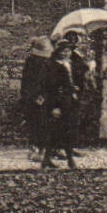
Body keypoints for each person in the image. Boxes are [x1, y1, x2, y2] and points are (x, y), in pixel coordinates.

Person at [39, 38, 80, 169]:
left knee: (68, 130)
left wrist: (74, 88)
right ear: (58, 52)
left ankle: (52, 159)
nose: (66, 53)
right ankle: (68, 160)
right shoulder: (53, 66)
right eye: (63, 51)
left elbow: (72, 81)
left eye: (68, 51)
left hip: (69, 101)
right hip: (58, 101)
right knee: (56, 131)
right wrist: (55, 106)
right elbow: (52, 87)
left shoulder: (71, 64)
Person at [20, 37, 54, 161]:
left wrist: (46, 94)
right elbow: (28, 83)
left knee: (44, 123)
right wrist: (34, 96)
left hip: (45, 96)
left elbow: (49, 81)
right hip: (32, 97)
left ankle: (43, 149)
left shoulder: (48, 63)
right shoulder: (31, 63)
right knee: (34, 123)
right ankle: (34, 149)